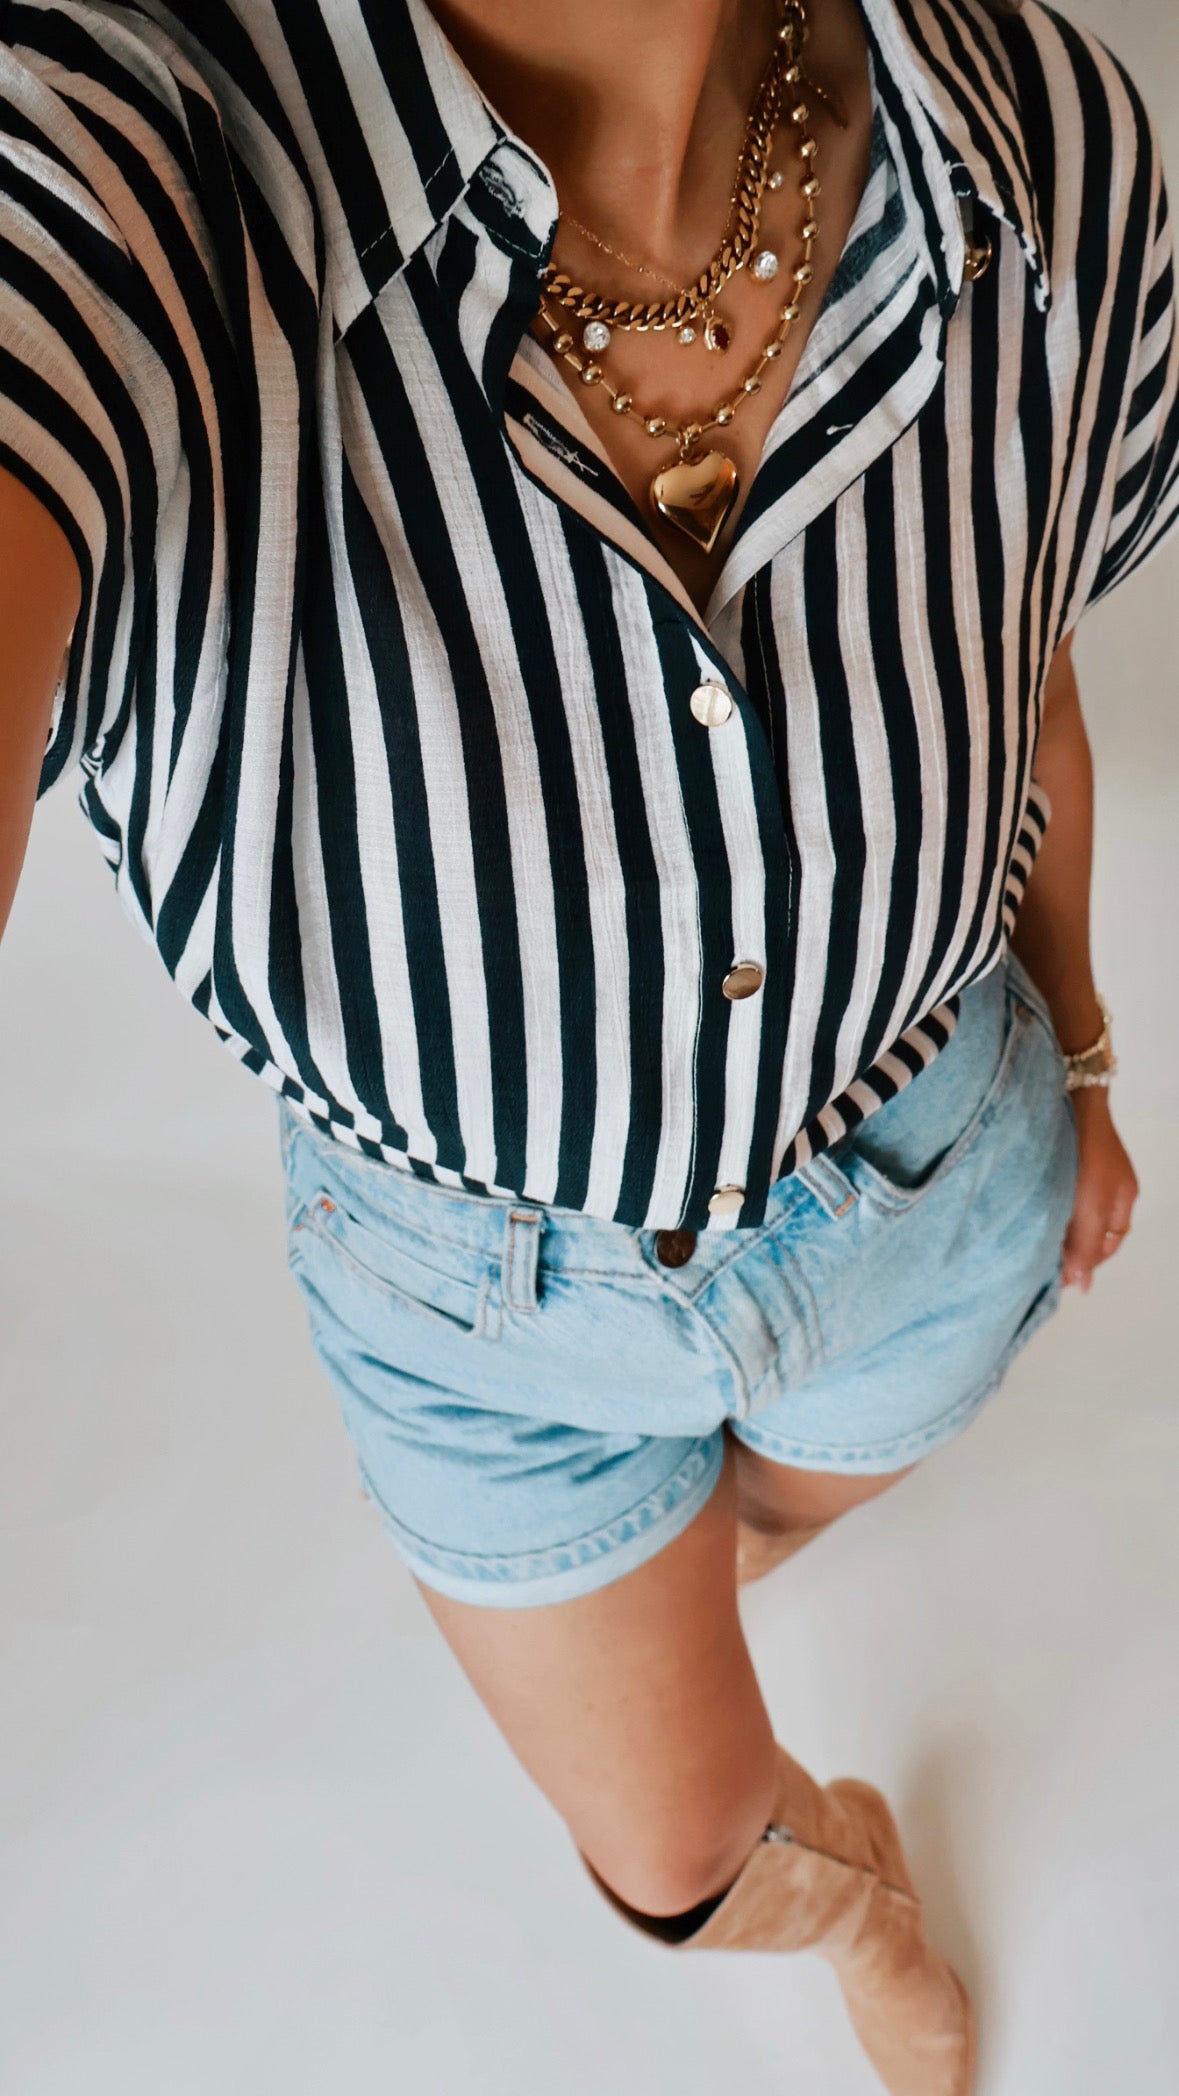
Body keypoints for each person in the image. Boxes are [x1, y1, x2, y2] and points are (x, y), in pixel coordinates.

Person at [1, 0, 1176, 2088]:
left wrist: (1079, 1060)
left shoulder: (1059, 156)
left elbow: (1035, 681)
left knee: (754, 1526)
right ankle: (842, 1897)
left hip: (928, 1178)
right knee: (667, 1845)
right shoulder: (118, 167)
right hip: (478, 1324)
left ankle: (694, 1556)